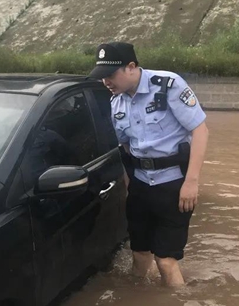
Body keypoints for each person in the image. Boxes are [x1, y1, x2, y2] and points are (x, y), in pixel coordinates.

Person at [88, 41, 209, 287]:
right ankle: (137, 301)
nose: (106, 82)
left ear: (131, 67)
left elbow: (200, 130)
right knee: (140, 253)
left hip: (174, 184)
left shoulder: (169, 85)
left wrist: (191, 182)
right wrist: (128, 182)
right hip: (141, 186)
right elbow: (124, 146)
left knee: (165, 261)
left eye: (110, 75)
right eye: (102, 77)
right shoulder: (117, 103)